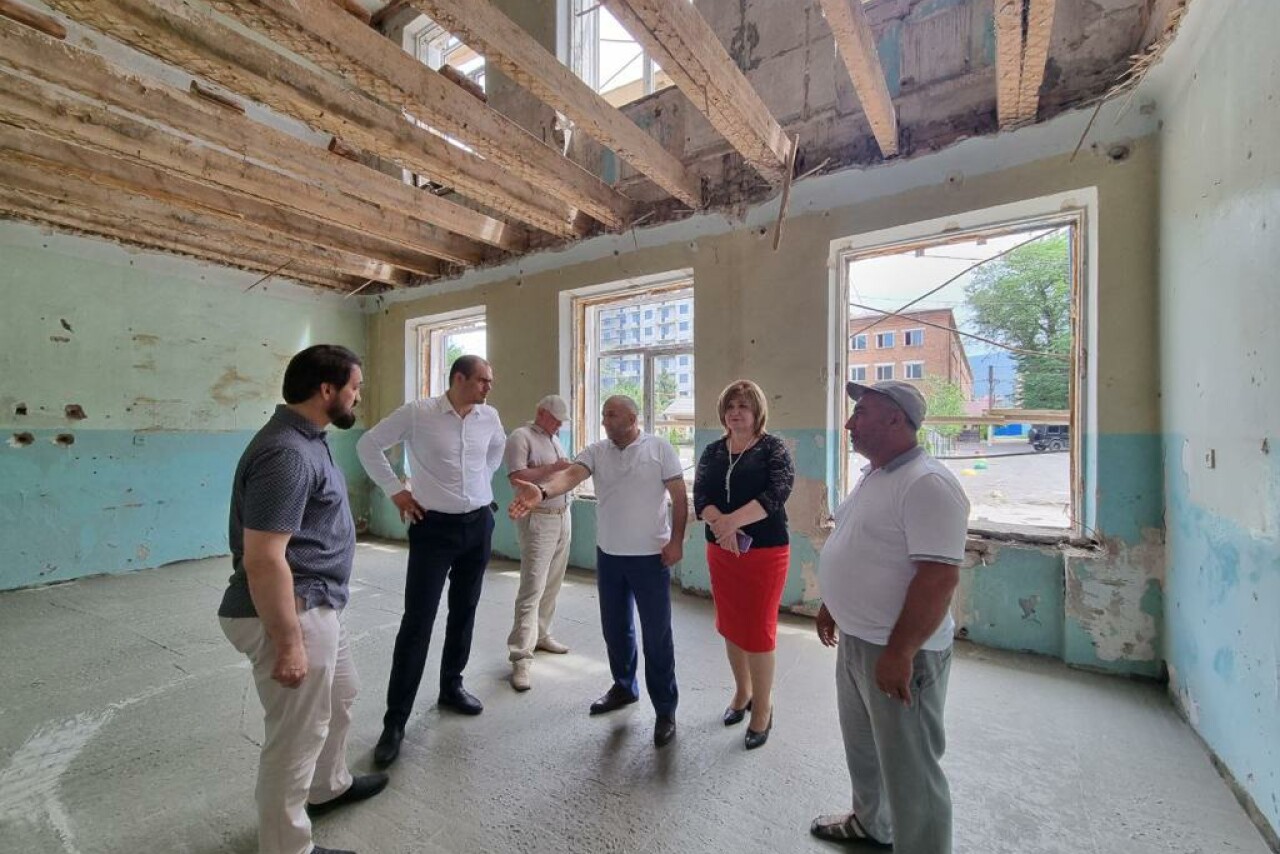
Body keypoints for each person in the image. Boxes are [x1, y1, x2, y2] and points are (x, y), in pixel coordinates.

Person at [218, 344, 387, 854]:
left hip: (318, 602)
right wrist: (289, 643)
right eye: (354, 387)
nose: (358, 396)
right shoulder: (287, 454)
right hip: (292, 609)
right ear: (326, 389)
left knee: (341, 694)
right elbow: (264, 558)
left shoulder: (309, 437)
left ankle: (327, 786)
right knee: (296, 736)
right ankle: (286, 846)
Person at [810, 380, 970, 853]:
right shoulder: (875, 475)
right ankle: (871, 824)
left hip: (900, 650)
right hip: (859, 639)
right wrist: (833, 602)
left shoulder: (928, 484)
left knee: (910, 767)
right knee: (864, 748)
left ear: (896, 419)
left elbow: (938, 578)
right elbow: (860, 544)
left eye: (861, 413)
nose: (849, 423)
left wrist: (900, 652)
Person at [509, 395, 687, 748]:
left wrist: (677, 541)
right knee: (615, 630)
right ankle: (624, 687)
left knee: (656, 635)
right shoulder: (596, 451)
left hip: (650, 558)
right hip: (610, 557)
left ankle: (665, 709)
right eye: (603, 414)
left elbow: (680, 498)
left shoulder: (659, 449)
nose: (604, 420)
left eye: (611, 414)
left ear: (632, 418)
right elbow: (569, 476)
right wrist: (541, 491)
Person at [355, 355, 505, 768]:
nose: (488, 387)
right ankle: (395, 721)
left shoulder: (489, 417)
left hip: (479, 525)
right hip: (432, 528)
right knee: (418, 621)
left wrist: (479, 484)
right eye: (482, 380)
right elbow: (367, 445)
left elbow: (496, 451)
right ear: (458, 378)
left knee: (465, 610)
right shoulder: (418, 413)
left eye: (490, 381)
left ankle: (451, 686)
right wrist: (395, 490)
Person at [693, 380, 795, 750]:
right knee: (731, 625)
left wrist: (730, 522)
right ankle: (742, 692)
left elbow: (778, 492)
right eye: (730, 406)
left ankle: (763, 708)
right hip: (722, 552)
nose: (736, 413)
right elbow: (700, 494)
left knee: (759, 630)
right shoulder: (713, 451)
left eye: (744, 406)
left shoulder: (773, 448)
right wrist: (720, 525)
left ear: (757, 412)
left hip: (765, 552)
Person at [503, 394, 575, 691]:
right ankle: (520, 655)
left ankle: (542, 634)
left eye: (561, 422)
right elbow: (516, 476)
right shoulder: (521, 437)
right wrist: (553, 468)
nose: (559, 425)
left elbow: (560, 474)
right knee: (532, 586)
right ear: (541, 413)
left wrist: (562, 469)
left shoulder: (554, 439)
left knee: (553, 582)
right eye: (555, 420)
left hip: (562, 515)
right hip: (538, 518)